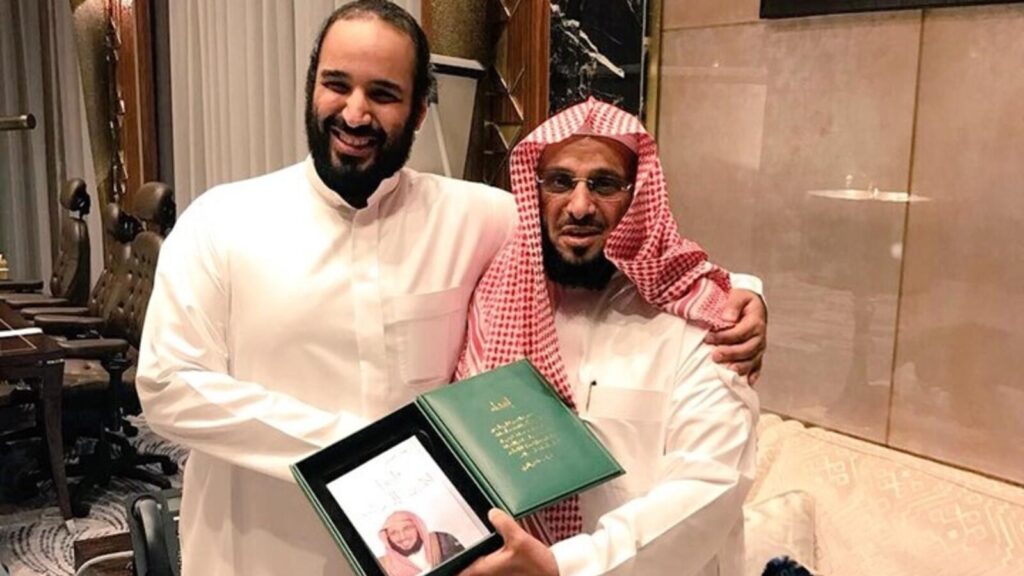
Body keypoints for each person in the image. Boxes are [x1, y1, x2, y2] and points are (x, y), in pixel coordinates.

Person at [137, 2, 765, 575]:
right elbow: (168, 387)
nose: (354, 113)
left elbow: (613, 244)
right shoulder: (222, 222)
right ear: (311, 89)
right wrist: (365, 450)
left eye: (383, 93)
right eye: (337, 84)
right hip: (262, 550)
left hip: (430, 556)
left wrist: (743, 294)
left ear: (419, 110)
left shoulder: (480, 217)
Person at [457, 98, 758, 576]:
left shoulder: (700, 321)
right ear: (535, 191)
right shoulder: (499, 302)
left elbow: (709, 483)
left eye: (604, 184)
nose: (579, 206)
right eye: (560, 182)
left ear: (638, 197)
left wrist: (563, 566)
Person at [377, 511, 465, 576]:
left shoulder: (442, 541)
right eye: (394, 533)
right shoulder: (383, 565)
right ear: (387, 537)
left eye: (407, 528)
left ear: (418, 528)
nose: (402, 537)